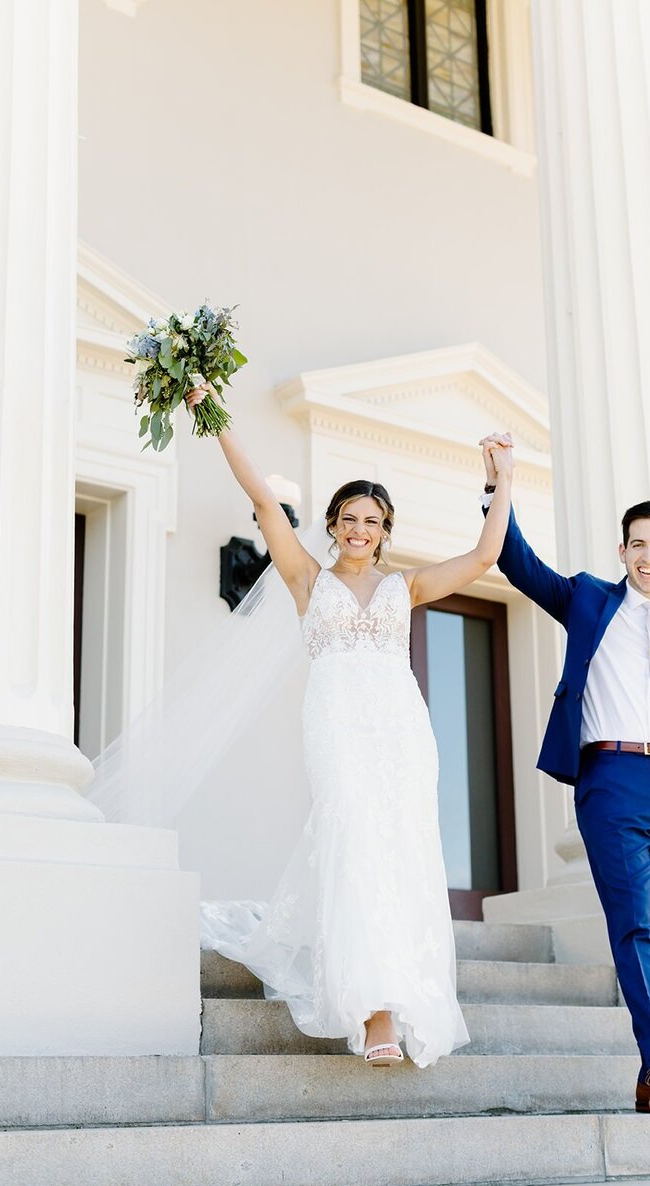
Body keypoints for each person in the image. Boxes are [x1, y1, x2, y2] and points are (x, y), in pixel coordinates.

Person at [190, 383, 513, 1066]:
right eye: (349, 518)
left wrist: (502, 479)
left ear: (385, 530)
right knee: (353, 841)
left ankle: (392, 1003)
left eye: (372, 521)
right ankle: (370, 1013)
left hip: (401, 731)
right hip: (336, 725)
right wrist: (212, 413)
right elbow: (262, 496)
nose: (360, 530)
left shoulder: (409, 587)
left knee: (399, 851)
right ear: (332, 524)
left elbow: (486, 557)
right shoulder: (307, 578)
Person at [479, 433, 650, 1114]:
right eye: (638, 544)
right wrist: (501, 483)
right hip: (611, 779)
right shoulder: (590, 601)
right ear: (622, 551)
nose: (649, 556)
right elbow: (518, 562)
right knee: (637, 923)